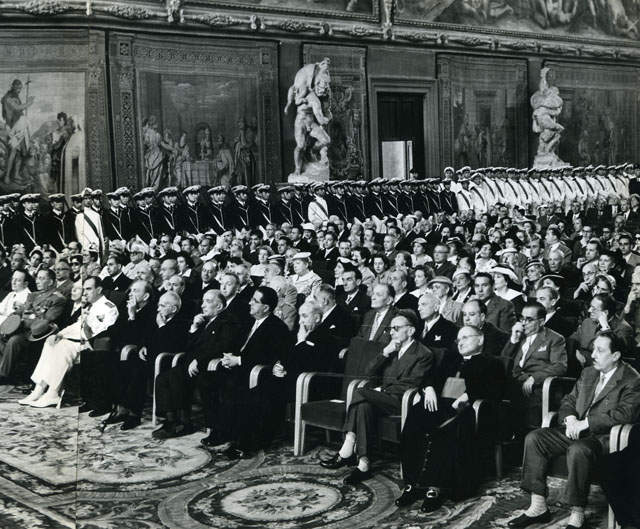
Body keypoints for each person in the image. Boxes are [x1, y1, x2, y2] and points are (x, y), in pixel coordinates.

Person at [508, 331, 640, 529]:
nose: (593, 354)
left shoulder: (632, 379)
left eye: (600, 350)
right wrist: (570, 419)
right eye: (593, 349)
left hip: (605, 437)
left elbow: (625, 414)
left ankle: (577, 513)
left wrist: (586, 423)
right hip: (575, 429)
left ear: (616, 355)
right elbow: (569, 399)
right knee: (535, 438)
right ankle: (538, 507)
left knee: (578, 449)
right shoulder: (589, 372)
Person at [398, 326, 506, 511]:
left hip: (469, 410)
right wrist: (429, 388)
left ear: (480, 339)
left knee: (447, 429)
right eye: (458, 339)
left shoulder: (491, 363)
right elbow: (431, 376)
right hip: (441, 404)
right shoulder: (451, 358)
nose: (461, 342)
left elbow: (495, 389)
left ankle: (435, 488)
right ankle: (412, 484)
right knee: (415, 417)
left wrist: (467, 396)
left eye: (465, 337)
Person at [320, 310, 434, 483]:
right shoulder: (391, 348)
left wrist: (381, 391)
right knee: (363, 405)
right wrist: (385, 352)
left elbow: (410, 385)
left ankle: (348, 446)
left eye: (396, 328)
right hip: (381, 400)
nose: (391, 332)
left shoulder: (423, 354)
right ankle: (364, 464)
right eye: (390, 328)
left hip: (402, 401)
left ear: (411, 330)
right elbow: (368, 373)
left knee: (360, 392)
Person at [19, 276, 119, 408]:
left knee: (63, 347)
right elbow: (76, 326)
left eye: (89, 289)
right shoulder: (90, 306)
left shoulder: (109, 308)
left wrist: (85, 328)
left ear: (99, 289)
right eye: (84, 289)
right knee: (51, 343)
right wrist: (59, 334)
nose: (85, 293)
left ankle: (53, 393)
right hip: (80, 342)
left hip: (93, 345)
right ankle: (39, 390)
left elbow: (104, 334)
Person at [502, 302, 568, 435]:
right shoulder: (518, 335)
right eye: (522, 318)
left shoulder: (555, 339)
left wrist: (535, 377)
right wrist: (513, 340)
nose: (523, 323)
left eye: (529, 319)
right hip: (513, 382)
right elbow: (503, 362)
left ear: (541, 321)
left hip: (537, 387)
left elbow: (560, 366)